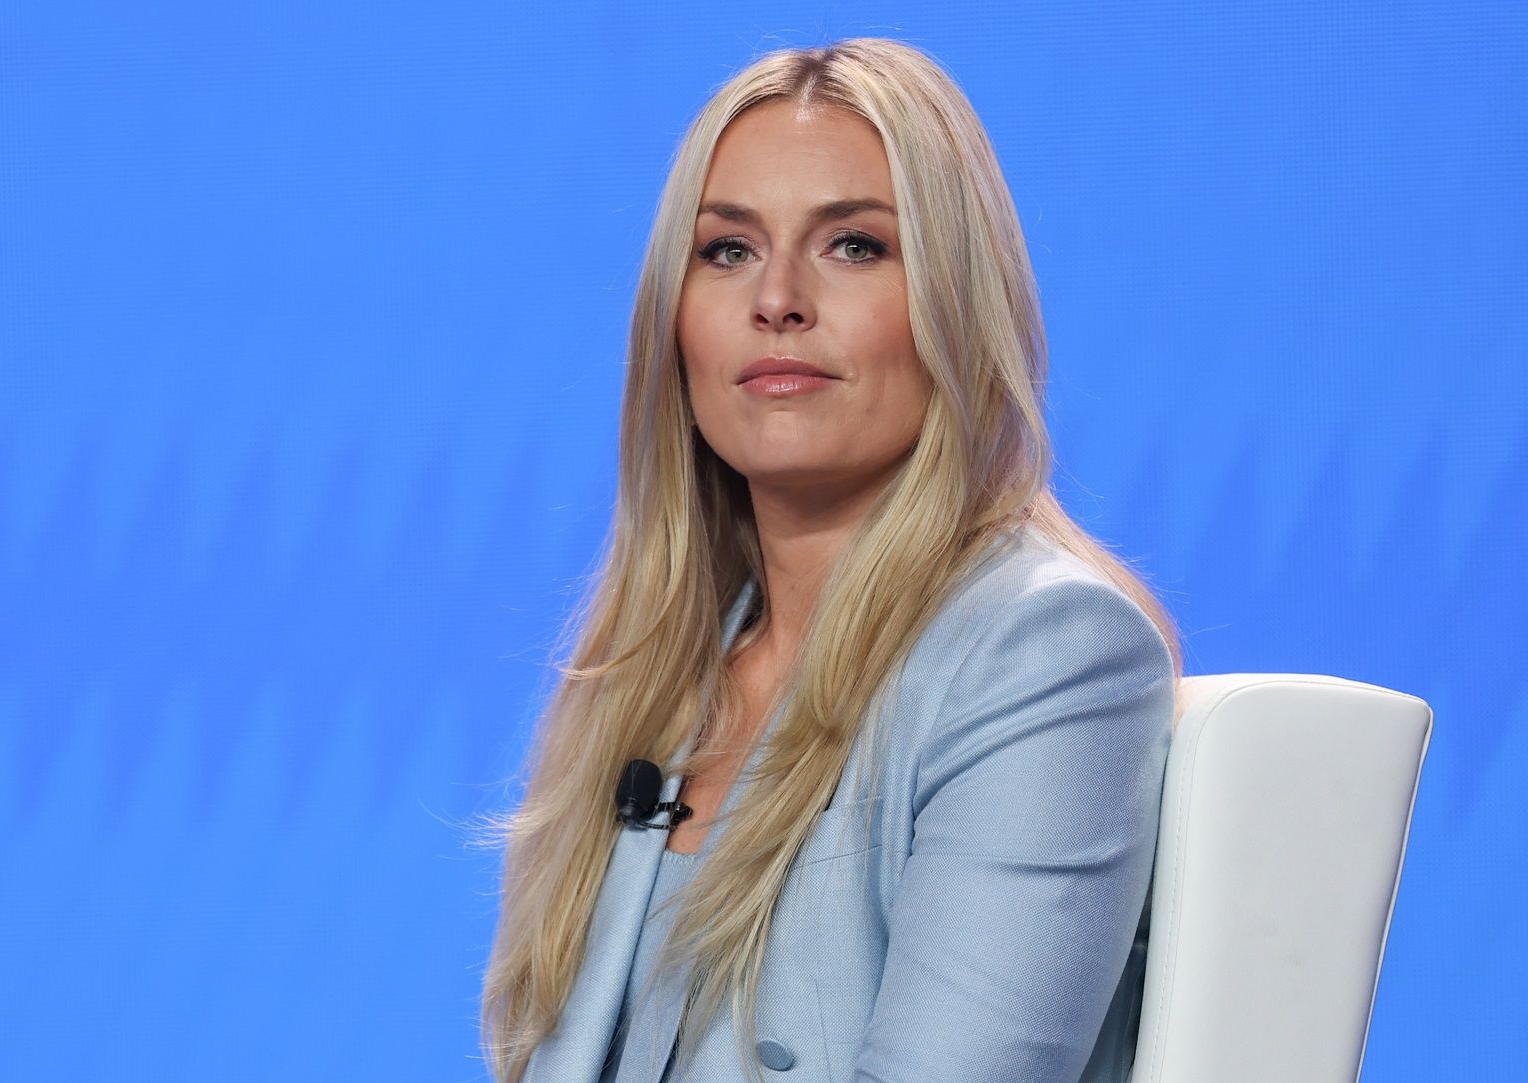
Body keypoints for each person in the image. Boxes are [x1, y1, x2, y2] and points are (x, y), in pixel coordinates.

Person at [480, 36, 1184, 1083]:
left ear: (955, 301)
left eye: (853, 245)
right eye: (727, 250)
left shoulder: (1048, 652)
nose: (776, 298)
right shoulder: (650, 676)